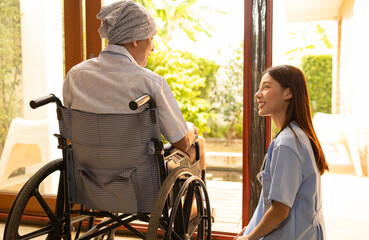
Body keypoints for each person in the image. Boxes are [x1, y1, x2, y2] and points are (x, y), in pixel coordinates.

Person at [63, 0, 205, 169]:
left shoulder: (75, 76)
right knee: (198, 144)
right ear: (135, 40)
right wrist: (189, 128)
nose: (153, 48)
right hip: (139, 182)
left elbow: (72, 128)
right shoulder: (150, 83)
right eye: (151, 38)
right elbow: (182, 142)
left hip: (89, 176)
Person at [235, 65, 328, 240]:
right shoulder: (296, 135)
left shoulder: (287, 143)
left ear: (288, 93)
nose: (257, 93)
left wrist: (249, 237)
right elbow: (274, 204)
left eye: (266, 87)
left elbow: (280, 211)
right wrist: (254, 227)